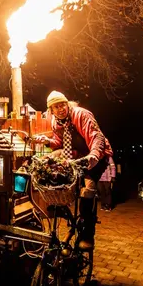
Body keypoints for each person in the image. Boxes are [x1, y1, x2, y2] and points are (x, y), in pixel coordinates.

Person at [34, 92, 113, 251]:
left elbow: (97, 138)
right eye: (56, 107)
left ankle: (87, 233)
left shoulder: (81, 114)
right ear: (51, 110)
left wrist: (92, 157)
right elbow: (60, 142)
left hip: (96, 156)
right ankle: (61, 206)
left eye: (62, 104)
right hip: (75, 155)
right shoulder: (55, 121)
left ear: (67, 104)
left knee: (88, 190)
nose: (60, 109)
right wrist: (48, 141)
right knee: (50, 165)